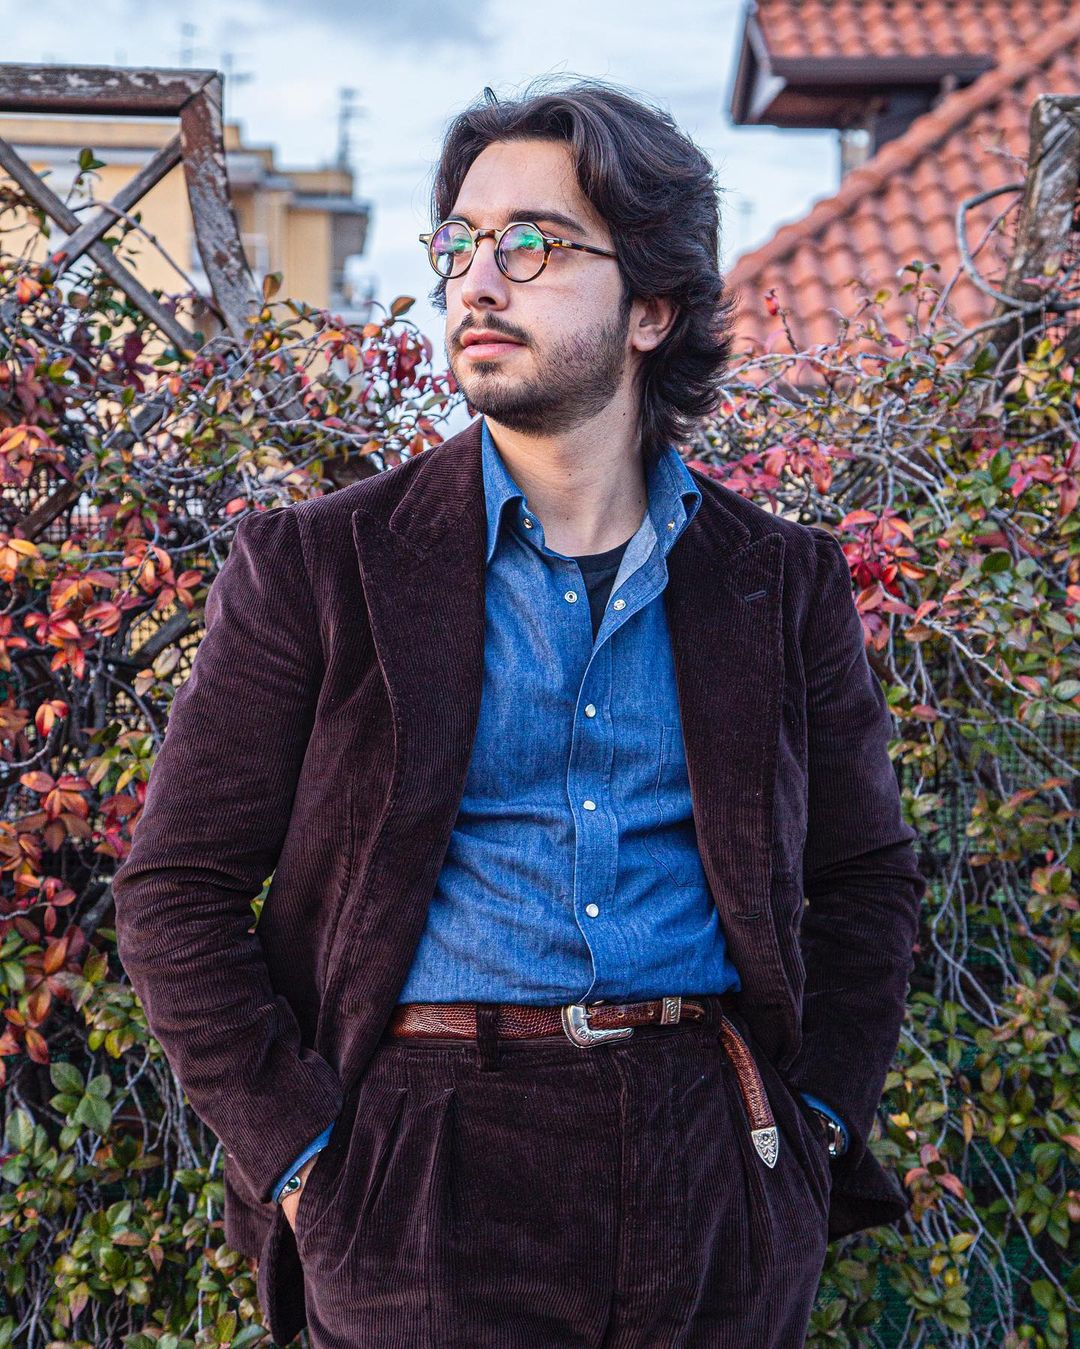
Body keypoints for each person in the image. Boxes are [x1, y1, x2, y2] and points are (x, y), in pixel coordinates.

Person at [112, 76, 927, 1348]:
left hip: (711, 1157)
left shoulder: (779, 581)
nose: (479, 280)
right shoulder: (320, 566)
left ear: (652, 307)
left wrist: (812, 1128)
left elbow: (867, 878)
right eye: (463, 242)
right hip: (421, 1164)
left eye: (533, 244)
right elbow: (175, 888)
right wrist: (307, 1158)